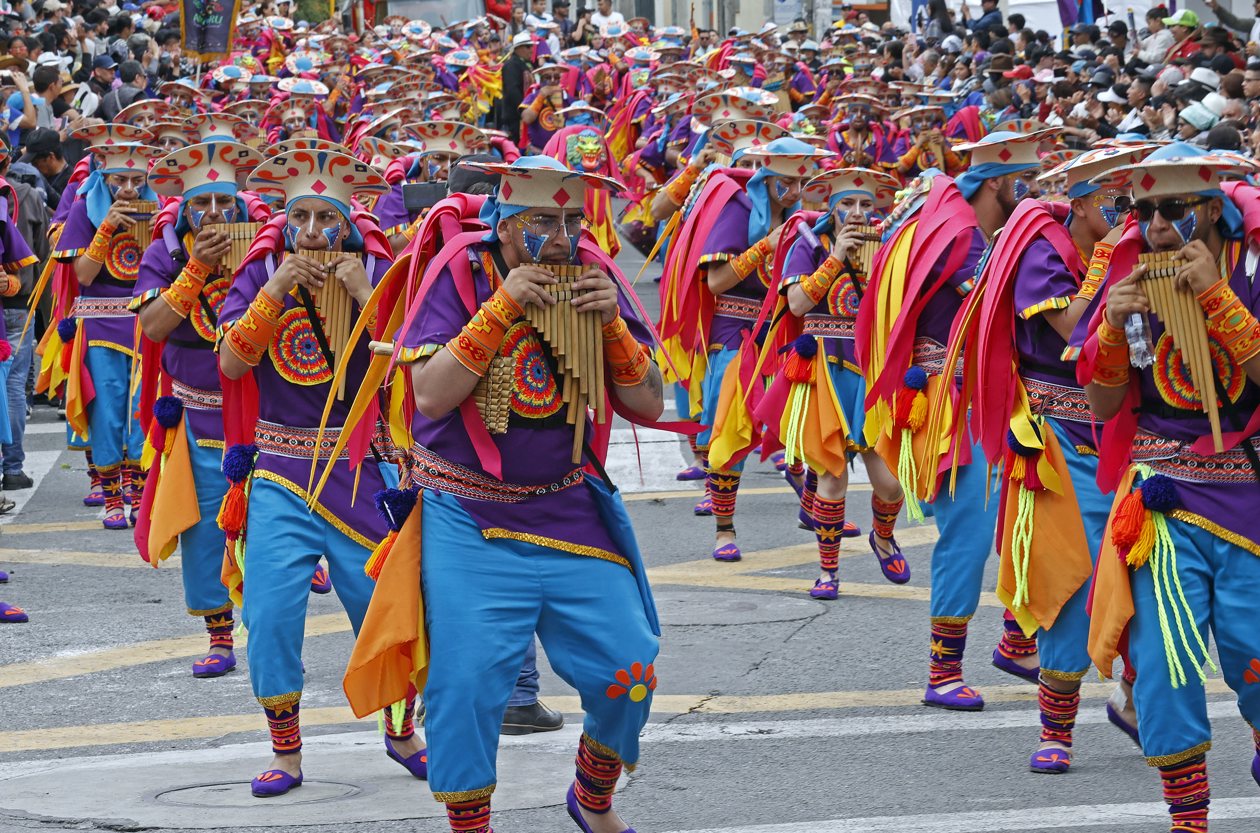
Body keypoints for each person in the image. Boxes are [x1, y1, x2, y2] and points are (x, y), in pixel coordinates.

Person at [345, 154, 664, 833]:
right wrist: (505, 302)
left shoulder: (593, 277)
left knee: (628, 669)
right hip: (468, 515)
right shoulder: (460, 274)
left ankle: (592, 794)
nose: (561, 237)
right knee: (462, 689)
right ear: (504, 221)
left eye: (572, 221)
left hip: (569, 507)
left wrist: (609, 327)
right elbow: (428, 393)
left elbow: (648, 402)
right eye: (542, 221)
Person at [217, 147, 425, 797]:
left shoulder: (378, 273)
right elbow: (231, 364)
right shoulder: (260, 273)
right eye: (299, 217)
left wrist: (363, 288)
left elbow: (407, 364)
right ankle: (287, 751)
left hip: (361, 468)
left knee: (384, 611)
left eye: (325, 219)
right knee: (272, 613)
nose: (312, 232)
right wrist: (278, 286)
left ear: (348, 225)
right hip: (281, 470)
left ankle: (400, 730)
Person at [1079, 143, 1260, 833]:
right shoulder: (1132, 287)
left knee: (1255, 656)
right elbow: (1102, 408)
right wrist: (1110, 333)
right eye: (1143, 209)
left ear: (1211, 209)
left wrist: (1216, 297)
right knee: (1165, 664)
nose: (1154, 225)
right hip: (1161, 501)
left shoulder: (1251, 273)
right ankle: (1189, 820)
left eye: (1172, 209)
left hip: (1248, 497)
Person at [954, 146, 1151, 772]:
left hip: (1134, 434)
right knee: (1069, 580)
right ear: (1088, 203)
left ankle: (1133, 697)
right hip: (1061, 439)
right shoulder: (1043, 245)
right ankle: (1056, 730)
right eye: (1121, 205)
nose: (1133, 219)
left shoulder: (1146, 250)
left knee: (1145, 579)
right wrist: (1112, 269)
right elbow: (1077, 333)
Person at [857, 131, 1048, 711]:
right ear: (998, 182)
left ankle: (1017, 639)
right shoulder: (964, 240)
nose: (1031, 193)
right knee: (967, 534)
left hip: (970, 396)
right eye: (1024, 184)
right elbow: (1003, 303)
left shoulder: (957, 225)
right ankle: (943, 673)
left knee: (1029, 511)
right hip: (953, 402)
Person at [132, 141, 268, 677]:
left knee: (269, 530)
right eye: (201, 205)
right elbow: (153, 327)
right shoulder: (163, 254)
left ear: (240, 206)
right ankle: (219, 638)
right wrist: (193, 271)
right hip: (195, 413)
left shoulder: (262, 249)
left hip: (261, 414)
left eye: (224, 204)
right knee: (204, 530)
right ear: (184, 211)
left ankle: (267, 632)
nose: (214, 215)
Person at [761, 167, 909, 599]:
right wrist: (837, 256)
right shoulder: (808, 245)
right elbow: (796, 303)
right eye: (847, 204)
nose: (857, 213)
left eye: (866, 205)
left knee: (891, 483)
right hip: (823, 368)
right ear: (831, 207)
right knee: (834, 478)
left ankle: (883, 538)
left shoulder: (883, 248)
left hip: (870, 371)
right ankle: (829, 571)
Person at [50, 126, 155, 529]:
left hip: (144, 324)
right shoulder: (83, 209)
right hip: (98, 323)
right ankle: (112, 496)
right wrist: (107, 226)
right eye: (119, 180)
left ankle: (140, 494)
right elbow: (85, 274)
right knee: (107, 410)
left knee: (140, 410)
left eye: (136, 180)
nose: (128, 189)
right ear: (102, 175)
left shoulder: (158, 210)